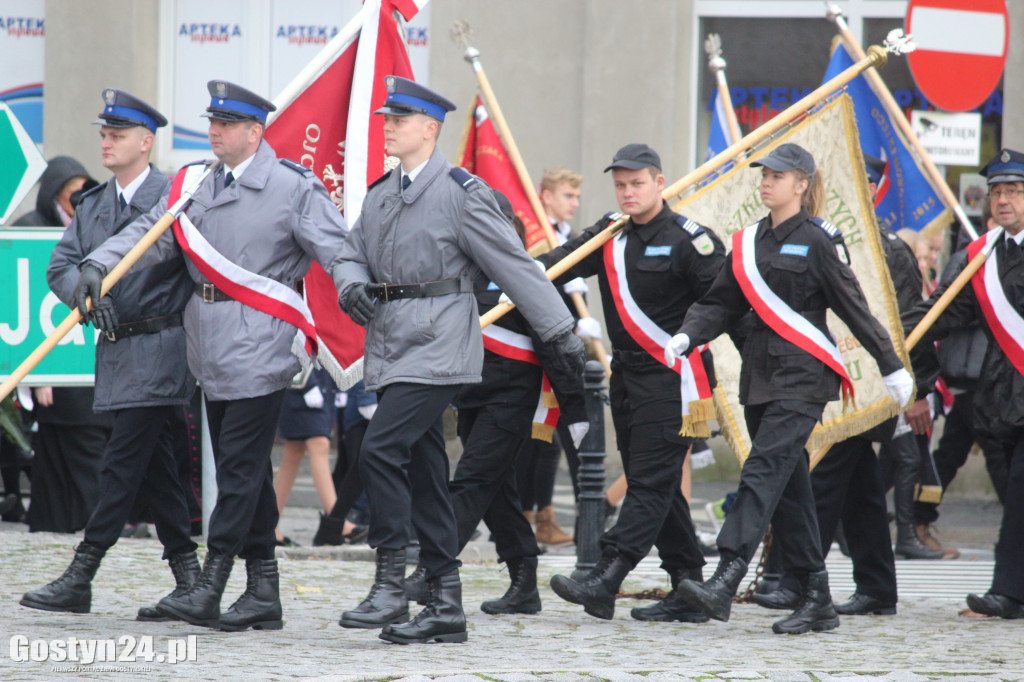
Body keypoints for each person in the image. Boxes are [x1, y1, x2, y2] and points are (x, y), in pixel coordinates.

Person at [72, 80, 350, 631]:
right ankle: (264, 590)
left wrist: (356, 286)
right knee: (240, 467)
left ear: (255, 132)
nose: (214, 132)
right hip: (209, 347)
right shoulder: (197, 182)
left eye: (226, 124)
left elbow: (337, 247)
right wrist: (98, 264)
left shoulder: (292, 187)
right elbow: (151, 233)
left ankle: (211, 583)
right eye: (212, 123)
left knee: (239, 469)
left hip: (262, 342)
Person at [334, 76, 583, 644]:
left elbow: (516, 266)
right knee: (426, 472)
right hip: (391, 343)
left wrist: (560, 332)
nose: (388, 127)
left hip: (439, 344)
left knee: (380, 449)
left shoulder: (463, 194)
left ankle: (390, 581)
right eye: (386, 119)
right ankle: (446, 605)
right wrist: (351, 286)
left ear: (430, 129)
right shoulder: (380, 194)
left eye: (399, 120)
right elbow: (350, 254)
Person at [668, 143, 913, 634]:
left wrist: (891, 365)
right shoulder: (747, 242)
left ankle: (726, 575)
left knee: (761, 471)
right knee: (790, 491)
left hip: (804, 379)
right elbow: (720, 303)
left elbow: (853, 306)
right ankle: (817, 598)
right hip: (760, 379)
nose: (766, 182)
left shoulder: (820, 240)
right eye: (764, 175)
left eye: (777, 176)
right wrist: (689, 333)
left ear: (801, 184)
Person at [20, 90, 200, 619]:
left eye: (117, 135)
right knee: (156, 467)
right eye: (103, 134)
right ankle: (190, 579)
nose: (105, 142)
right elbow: (61, 266)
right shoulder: (93, 204)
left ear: (145, 143)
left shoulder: (173, 198)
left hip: (162, 346)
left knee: (120, 463)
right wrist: (84, 294)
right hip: (116, 351)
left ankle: (82, 573)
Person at [540, 143, 725, 622]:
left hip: (672, 378)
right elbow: (560, 263)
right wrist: (515, 274)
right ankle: (689, 586)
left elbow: (723, 303)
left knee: (647, 482)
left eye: (637, 183)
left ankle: (606, 576)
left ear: (659, 182)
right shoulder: (610, 234)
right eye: (620, 185)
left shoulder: (690, 241)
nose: (627, 192)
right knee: (658, 484)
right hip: (626, 377)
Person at [750, 155, 941, 619]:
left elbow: (910, 320)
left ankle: (797, 582)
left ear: (873, 190)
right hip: (827, 374)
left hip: (869, 381)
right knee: (861, 487)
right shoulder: (820, 235)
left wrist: (917, 386)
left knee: (823, 477)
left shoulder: (889, 248)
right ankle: (876, 586)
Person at [404, 190, 587, 615]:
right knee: (497, 492)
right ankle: (524, 583)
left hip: (512, 398)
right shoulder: (465, 272)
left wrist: (575, 409)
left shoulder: (524, 274)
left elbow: (554, 346)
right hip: (472, 396)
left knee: (471, 482)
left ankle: (430, 570)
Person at [903, 148, 1024, 619]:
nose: (1003, 200)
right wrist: (902, 333)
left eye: (1014, 191)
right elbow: (946, 312)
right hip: (1002, 398)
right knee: (1016, 493)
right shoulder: (982, 257)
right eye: (997, 192)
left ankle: (1008, 592)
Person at [11, 157, 111, 534]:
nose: (80, 201)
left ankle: (88, 526)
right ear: (54, 194)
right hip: (54, 373)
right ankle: (55, 525)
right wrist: (39, 373)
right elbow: (22, 303)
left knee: (89, 447)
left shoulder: (94, 227)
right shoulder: (30, 230)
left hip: (91, 368)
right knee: (55, 454)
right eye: (73, 194)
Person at [517, 166, 589, 545]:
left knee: (554, 440)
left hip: (568, 349)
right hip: (542, 349)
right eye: (567, 196)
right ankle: (529, 516)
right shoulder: (536, 238)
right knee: (541, 439)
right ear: (545, 197)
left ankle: (545, 517)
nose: (574, 203)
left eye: (576, 196)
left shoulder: (571, 238)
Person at [273, 366, 337, 547]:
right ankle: (337, 521)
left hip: (317, 380)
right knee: (319, 444)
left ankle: (270, 525)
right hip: (301, 381)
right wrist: (308, 385)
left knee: (294, 451)